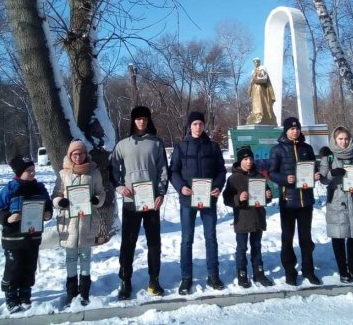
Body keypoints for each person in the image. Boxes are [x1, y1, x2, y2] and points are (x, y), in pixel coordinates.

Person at [111, 106, 168, 300]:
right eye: (138, 118)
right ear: (133, 121)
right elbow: (113, 169)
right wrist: (120, 187)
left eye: (144, 118)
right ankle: (125, 280)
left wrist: (161, 193)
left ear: (148, 120)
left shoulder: (156, 143)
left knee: (154, 242)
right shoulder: (122, 145)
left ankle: (154, 280)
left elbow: (163, 170)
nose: (141, 121)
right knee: (128, 242)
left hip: (151, 201)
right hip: (130, 201)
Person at [170, 111, 227, 295]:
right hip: (188, 199)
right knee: (187, 239)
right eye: (194, 124)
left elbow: (221, 171)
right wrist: (181, 187)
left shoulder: (213, 147)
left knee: (211, 237)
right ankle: (186, 277)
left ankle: (213, 275)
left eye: (200, 124)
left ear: (204, 125)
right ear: (190, 126)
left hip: (208, 198)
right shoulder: (180, 147)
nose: (198, 127)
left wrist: (217, 186)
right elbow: (173, 171)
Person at [0, 155, 53, 314]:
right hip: (13, 238)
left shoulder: (40, 188)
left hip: (33, 236)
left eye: (33, 170)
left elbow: (48, 206)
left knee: (29, 266)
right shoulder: (10, 189)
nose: (32, 173)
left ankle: (25, 293)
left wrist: (48, 214)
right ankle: (10, 295)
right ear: (19, 172)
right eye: (28, 170)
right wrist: (8, 218)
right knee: (14, 266)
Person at [53, 139, 106, 306]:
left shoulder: (94, 173)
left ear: (85, 154)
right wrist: (59, 201)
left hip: (87, 221)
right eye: (75, 154)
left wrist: (96, 199)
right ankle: (71, 291)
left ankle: (84, 291)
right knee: (70, 257)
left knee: (85, 256)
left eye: (81, 153)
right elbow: (56, 194)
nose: (78, 157)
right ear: (70, 155)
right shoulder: (63, 174)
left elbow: (101, 193)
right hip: (69, 222)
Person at [269, 117, 321, 286]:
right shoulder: (277, 149)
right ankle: (290, 271)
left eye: (297, 128)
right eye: (292, 129)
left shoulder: (307, 148)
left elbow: (314, 167)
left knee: (306, 238)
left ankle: (308, 270)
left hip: (306, 200)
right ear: (286, 131)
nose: (295, 131)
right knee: (287, 238)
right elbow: (271, 173)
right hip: (288, 200)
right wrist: (285, 179)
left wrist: (316, 175)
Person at [319, 126, 353, 283]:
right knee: (338, 235)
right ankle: (343, 271)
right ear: (335, 139)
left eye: (346, 139)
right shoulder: (328, 157)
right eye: (340, 139)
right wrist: (332, 174)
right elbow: (323, 180)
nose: (344, 142)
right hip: (337, 200)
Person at [223, 146, 274, 288]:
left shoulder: (259, 176)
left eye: (250, 158)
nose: (249, 161)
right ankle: (242, 273)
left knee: (256, 246)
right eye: (245, 159)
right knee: (242, 248)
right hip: (242, 219)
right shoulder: (233, 179)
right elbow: (226, 199)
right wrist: (238, 198)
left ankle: (259, 273)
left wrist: (268, 195)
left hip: (257, 218)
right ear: (240, 161)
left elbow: (266, 196)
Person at [246, 58, 278, 126]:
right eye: (255, 62)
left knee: (260, 102)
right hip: (254, 89)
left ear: (259, 62)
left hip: (260, 88)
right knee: (255, 103)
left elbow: (264, 79)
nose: (256, 63)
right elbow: (252, 81)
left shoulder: (262, 69)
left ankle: (260, 115)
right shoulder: (253, 71)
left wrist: (256, 79)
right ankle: (255, 115)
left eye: (257, 62)